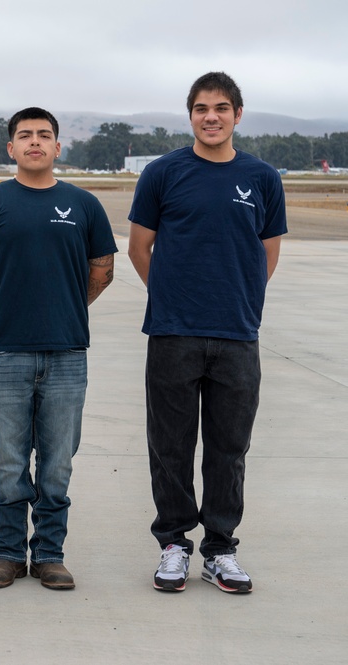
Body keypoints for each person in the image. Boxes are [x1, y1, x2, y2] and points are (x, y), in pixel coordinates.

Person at [128, 72, 286, 594]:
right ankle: (174, 543)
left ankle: (220, 548)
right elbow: (139, 247)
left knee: (229, 447)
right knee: (170, 445)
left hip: (237, 335)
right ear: (190, 115)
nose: (211, 116)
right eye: (201, 108)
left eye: (221, 108)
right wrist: (173, 298)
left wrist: (238, 299)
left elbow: (268, 251)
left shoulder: (262, 177)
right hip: (173, 334)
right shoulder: (162, 172)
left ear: (238, 114)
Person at [0, 107, 116, 591]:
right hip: (4, 352)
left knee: (58, 461)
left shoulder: (84, 204)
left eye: (44, 135)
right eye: (24, 136)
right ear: (11, 148)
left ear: (57, 147)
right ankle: (6, 554)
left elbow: (102, 269)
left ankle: (49, 554)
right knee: (9, 459)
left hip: (67, 353)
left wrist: (68, 306)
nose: (35, 142)